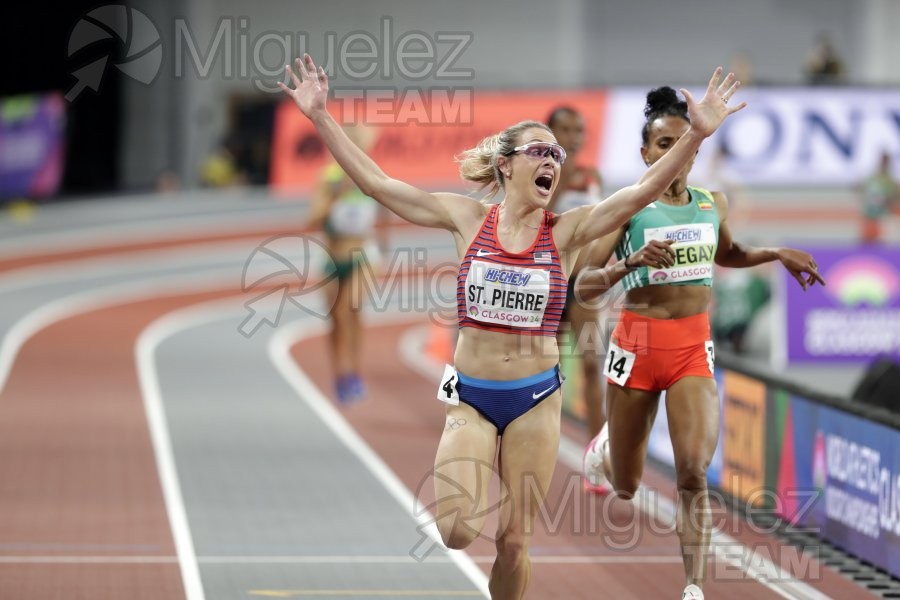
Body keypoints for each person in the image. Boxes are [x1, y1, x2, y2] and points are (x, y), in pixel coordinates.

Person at [279, 54, 743, 599]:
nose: (553, 162)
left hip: (535, 399)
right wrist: (319, 116)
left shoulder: (567, 231)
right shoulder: (465, 218)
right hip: (472, 396)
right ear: (507, 165)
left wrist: (696, 139)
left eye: (559, 154)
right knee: (455, 530)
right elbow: (379, 184)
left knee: (515, 542)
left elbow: (638, 194)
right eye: (540, 152)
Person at [579, 86, 824, 600]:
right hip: (636, 346)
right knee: (626, 485)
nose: (673, 153)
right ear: (645, 155)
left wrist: (777, 252)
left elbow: (728, 254)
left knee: (693, 472)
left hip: (692, 348)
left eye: (682, 143)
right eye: (661, 145)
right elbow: (582, 284)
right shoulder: (624, 210)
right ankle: (605, 445)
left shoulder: (713, 202)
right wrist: (630, 263)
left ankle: (694, 586)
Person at [545, 106, 610, 494]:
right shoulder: (538, 175)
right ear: (549, 132)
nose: (572, 137)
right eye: (564, 129)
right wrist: (558, 184)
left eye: (578, 130)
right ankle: (537, 443)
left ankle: (595, 461)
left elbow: (601, 226)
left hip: (583, 285)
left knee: (590, 364)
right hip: (548, 285)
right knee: (546, 370)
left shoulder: (592, 178)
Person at [308, 124, 388, 404]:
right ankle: (340, 374)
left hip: (362, 255)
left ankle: (353, 371)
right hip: (332, 257)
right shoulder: (329, 177)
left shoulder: (370, 174)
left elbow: (387, 205)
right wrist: (335, 195)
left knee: (348, 311)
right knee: (335, 320)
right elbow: (312, 220)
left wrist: (384, 242)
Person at [860, 151, 899, 243]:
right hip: (870, 217)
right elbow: (864, 193)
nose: (883, 164)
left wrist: (887, 201)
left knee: (881, 245)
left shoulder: (891, 182)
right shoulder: (872, 179)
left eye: (886, 161)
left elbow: (895, 198)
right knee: (866, 243)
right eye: (882, 161)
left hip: (883, 219)